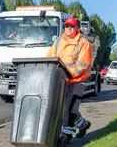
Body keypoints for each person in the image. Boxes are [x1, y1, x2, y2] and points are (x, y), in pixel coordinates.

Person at [47, 16, 92, 144]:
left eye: (72, 26)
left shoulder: (83, 43)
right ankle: (83, 124)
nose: (69, 28)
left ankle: (66, 136)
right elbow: (50, 57)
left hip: (77, 80)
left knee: (69, 108)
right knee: (63, 108)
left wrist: (66, 75)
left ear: (77, 27)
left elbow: (81, 66)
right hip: (61, 79)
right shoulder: (58, 41)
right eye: (67, 26)